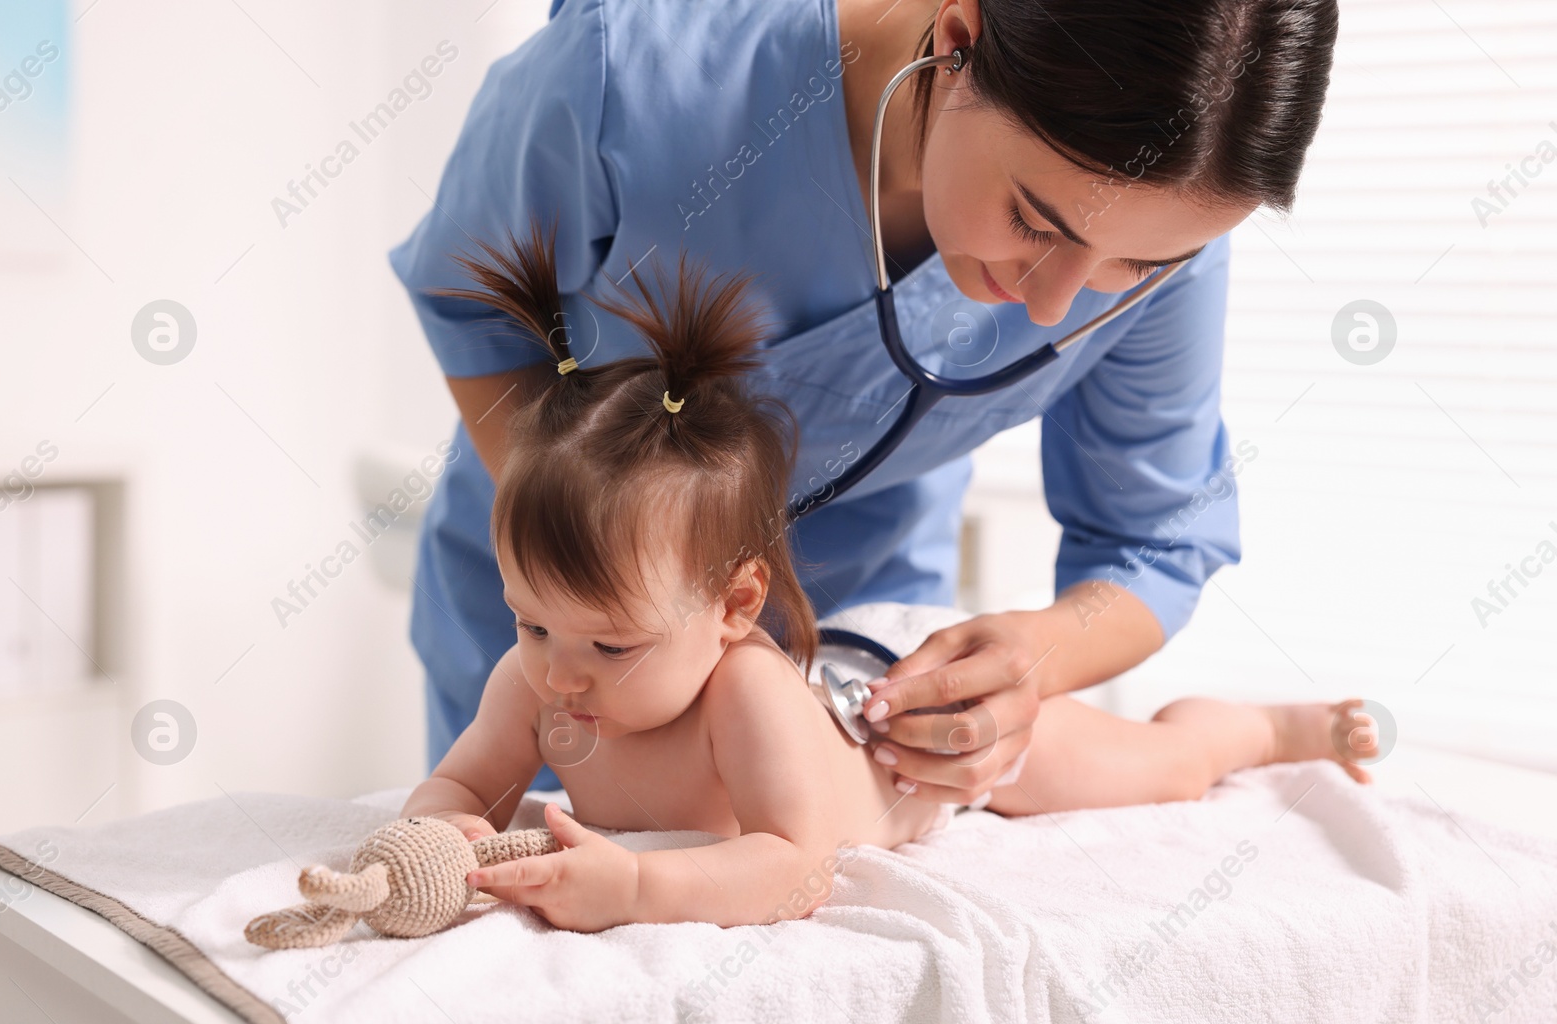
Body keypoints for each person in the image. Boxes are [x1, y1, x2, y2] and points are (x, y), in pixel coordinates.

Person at [389, 0, 1341, 800]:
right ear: (956, 43)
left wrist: (1036, 657)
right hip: (572, 633)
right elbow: (472, 306)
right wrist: (608, 588)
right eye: (1031, 221)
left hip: (859, 647)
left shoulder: (1166, 247)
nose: (1058, 300)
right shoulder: (629, 78)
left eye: (1137, 263)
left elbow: (1157, 539)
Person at [396, 227, 1378, 933]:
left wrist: (639, 891)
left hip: (915, 712)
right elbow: (461, 783)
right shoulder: (537, 682)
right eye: (530, 623)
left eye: (610, 643)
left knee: (1152, 773)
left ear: (735, 609)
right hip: (847, 675)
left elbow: (795, 864)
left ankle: (1256, 727)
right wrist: (436, 838)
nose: (560, 672)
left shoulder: (741, 692)